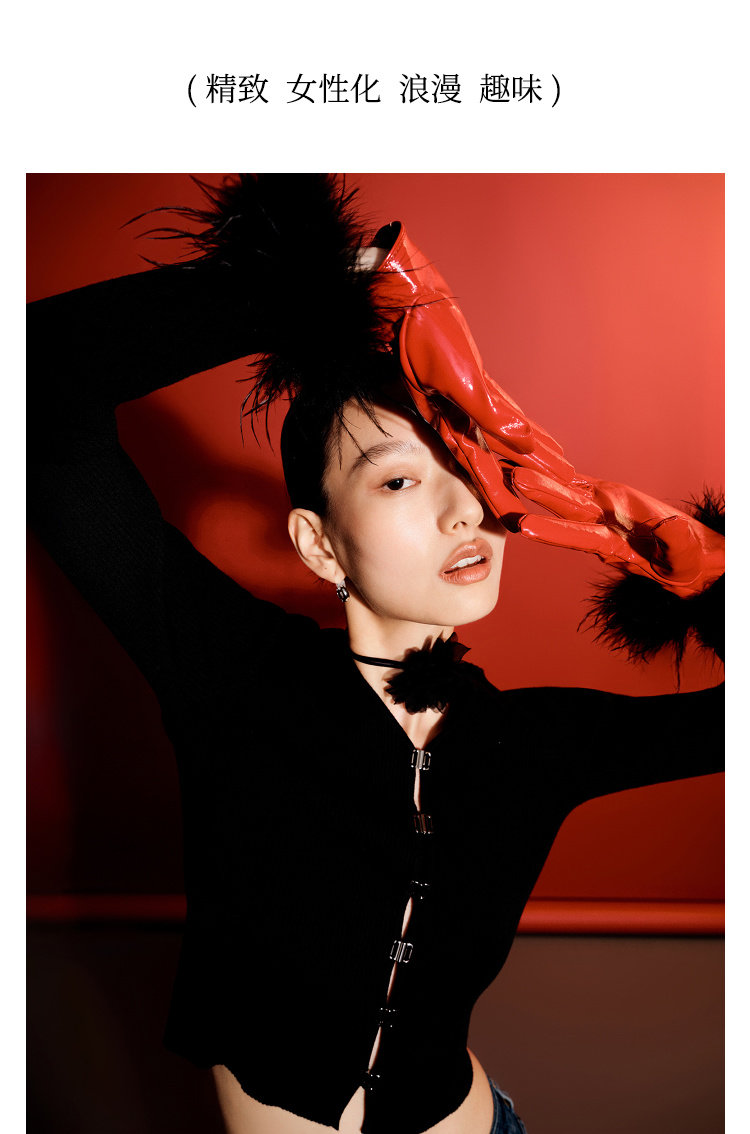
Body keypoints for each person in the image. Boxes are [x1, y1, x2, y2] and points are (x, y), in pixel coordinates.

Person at [27, 174, 724, 1134]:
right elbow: (40, 385)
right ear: (319, 544)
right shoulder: (230, 671)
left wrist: (703, 571)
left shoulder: (543, 739)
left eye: (470, 470)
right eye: (399, 480)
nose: (462, 509)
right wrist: (331, 282)